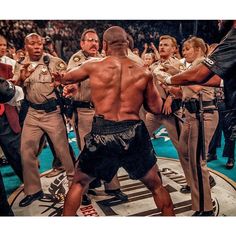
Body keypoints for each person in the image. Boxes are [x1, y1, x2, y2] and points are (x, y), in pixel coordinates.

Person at [53, 26, 175, 216]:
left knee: (79, 183)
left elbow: (65, 78)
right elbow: (156, 108)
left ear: (105, 44)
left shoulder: (93, 65)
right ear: (127, 44)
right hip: (133, 132)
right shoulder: (143, 72)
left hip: (103, 131)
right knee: (157, 186)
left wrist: (61, 79)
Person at [162, 20, 236, 168]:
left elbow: (199, 77)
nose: (218, 20)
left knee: (197, 157)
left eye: (188, 49)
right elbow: (218, 80)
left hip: (205, 110)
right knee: (187, 152)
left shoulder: (232, 38)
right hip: (195, 111)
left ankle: (207, 179)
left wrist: (169, 79)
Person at [66, 28, 127, 204]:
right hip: (84, 111)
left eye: (96, 41)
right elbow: (71, 78)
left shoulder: (103, 58)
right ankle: (82, 191)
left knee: (109, 148)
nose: (94, 43)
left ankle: (113, 187)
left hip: (103, 111)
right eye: (90, 40)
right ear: (82, 43)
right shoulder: (77, 59)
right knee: (87, 151)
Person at [13, 33, 75, 207]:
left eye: (39, 43)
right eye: (32, 44)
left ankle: (77, 188)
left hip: (52, 113)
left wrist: (62, 82)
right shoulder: (20, 65)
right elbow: (15, 91)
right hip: (32, 113)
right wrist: (21, 79)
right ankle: (33, 190)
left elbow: (69, 81)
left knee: (64, 153)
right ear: (26, 46)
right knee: (26, 152)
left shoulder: (53, 61)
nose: (37, 46)